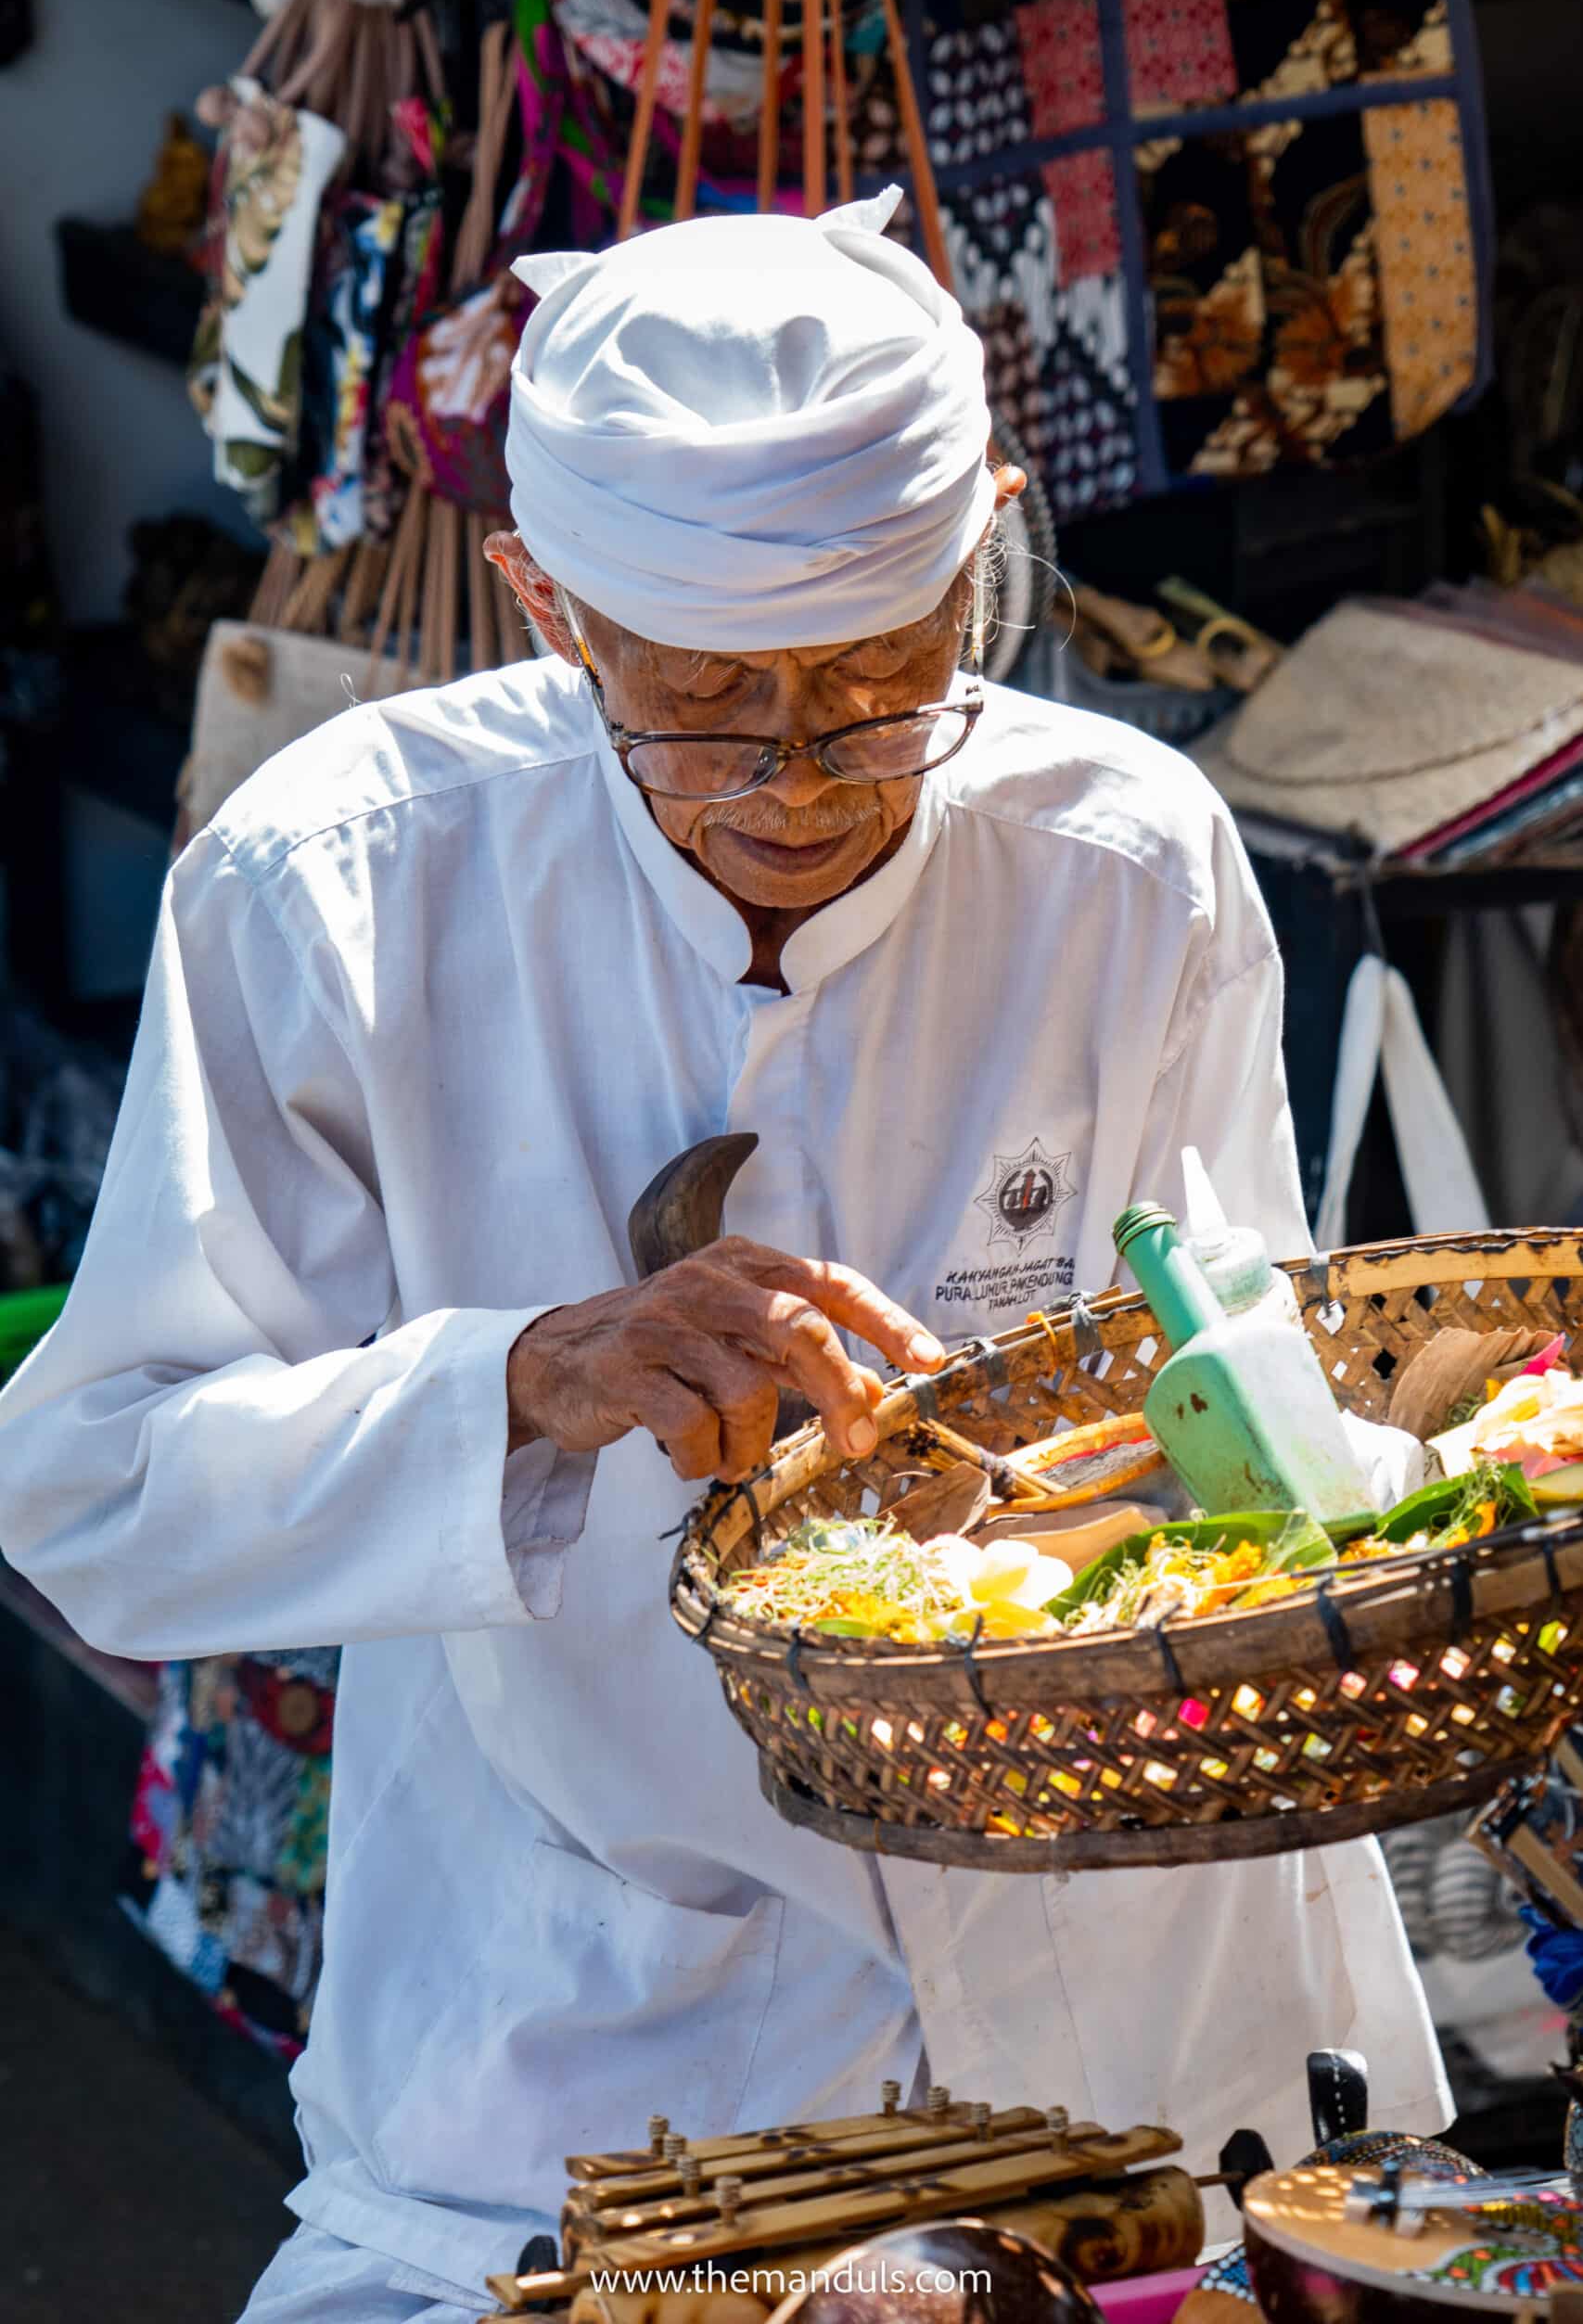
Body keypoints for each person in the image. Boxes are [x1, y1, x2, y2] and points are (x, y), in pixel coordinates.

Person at [0, 194, 1446, 2323]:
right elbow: (97, 1490)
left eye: (883, 687)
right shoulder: (341, 884)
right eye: (700, 704)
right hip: (593, 2060)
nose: (793, 777)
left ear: (993, 555)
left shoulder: (1124, 863)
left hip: (1132, 2049)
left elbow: (1240, 1394)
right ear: (544, 603)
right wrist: (516, 1382)